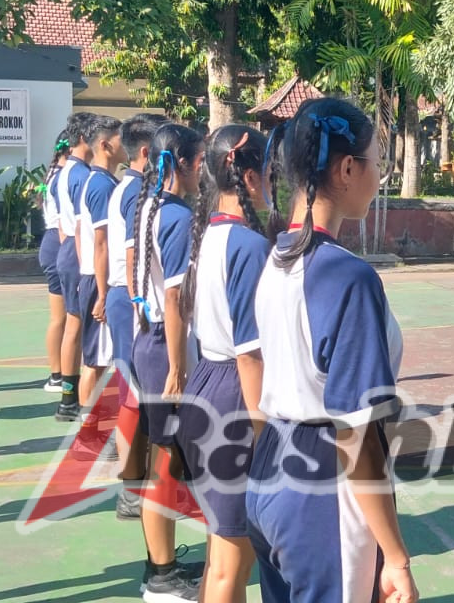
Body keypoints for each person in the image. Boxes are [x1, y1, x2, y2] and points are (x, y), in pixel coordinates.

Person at [248, 97, 417, 603]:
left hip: (269, 470)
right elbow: (355, 434)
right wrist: (398, 555)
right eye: (376, 164)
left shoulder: (275, 258)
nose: (379, 176)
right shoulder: (348, 276)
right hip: (324, 489)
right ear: (347, 169)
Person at [178, 124, 270, 603]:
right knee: (233, 564)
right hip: (236, 398)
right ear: (251, 178)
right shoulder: (249, 247)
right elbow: (251, 354)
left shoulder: (206, 234)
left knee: (222, 549)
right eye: (270, 173)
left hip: (206, 387)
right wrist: (264, 433)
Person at [130, 123, 209, 602]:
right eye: (198, 162)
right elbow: (176, 297)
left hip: (152, 339)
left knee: (165, 458)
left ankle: (160, 563)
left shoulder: (147, 205)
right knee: (166, 463)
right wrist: (180, 366)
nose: (203, 170)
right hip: (166, 344)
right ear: (179, 164)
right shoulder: (176, 215)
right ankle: (160, 575)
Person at [109, 113, 164, 520]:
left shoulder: (130, 188)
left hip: (129, 299)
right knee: (135, 397)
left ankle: (134, 481)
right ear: (148, 152)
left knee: (137, 396)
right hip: (131, 301)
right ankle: (131, 487)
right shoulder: (135, 193)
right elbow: (132, 258)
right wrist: (141, 304)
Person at [75, 115, 124, 412]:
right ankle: (89, 431)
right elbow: (101, 242)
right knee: (96, 361)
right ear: (106, 145)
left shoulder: (99, 180)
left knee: (99, 359)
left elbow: (82, 231)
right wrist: (102, 293)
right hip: (99, 279)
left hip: (93, 276)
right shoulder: (102, 186)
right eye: (121, 139)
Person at [54, 113, 96, 422]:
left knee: (74, 324)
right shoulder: (82, 175)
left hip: (68, 246)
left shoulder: (64, 171)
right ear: (83, 138)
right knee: (81, 328)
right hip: (79, 251)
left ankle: (69, 398)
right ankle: (76, 402)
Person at [39, 133, 73, 393]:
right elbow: (63, 221)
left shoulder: (53, 173)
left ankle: (57, 374)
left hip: (52, 243)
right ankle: (59, 374)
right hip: (58, 242)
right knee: (63, 318)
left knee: (59, 318)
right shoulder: (63, 176)